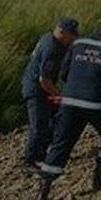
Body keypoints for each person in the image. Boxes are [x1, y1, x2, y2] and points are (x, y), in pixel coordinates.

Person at [37, 7, 101, 200]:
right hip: (96, 103)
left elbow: (64, 74)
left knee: (61, 143)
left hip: (69, 102)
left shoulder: (79, 42)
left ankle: (44, 190)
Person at [21, 17, 79, 172]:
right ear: (61, 31)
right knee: (39, 126)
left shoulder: (48, 37)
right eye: (71, 35)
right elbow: (44, 79)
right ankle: (30, 160)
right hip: (36, 89)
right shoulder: (52, 49)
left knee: (56, 120)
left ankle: (45, 153)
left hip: (42, 87)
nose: (72, 38)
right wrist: (59, 96)